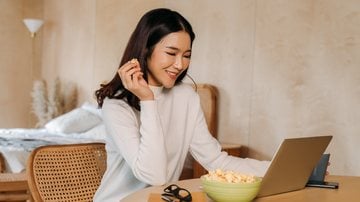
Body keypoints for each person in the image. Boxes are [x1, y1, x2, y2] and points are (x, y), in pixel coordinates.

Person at [93, 8, 269, 201]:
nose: (180, 64)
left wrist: (279, 168)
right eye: (171, 53)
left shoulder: (186, 97)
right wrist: (147, 100)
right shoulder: (117, 105)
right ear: (146, 49)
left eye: (186, 55)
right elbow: (154, 175)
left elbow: (215, 161)